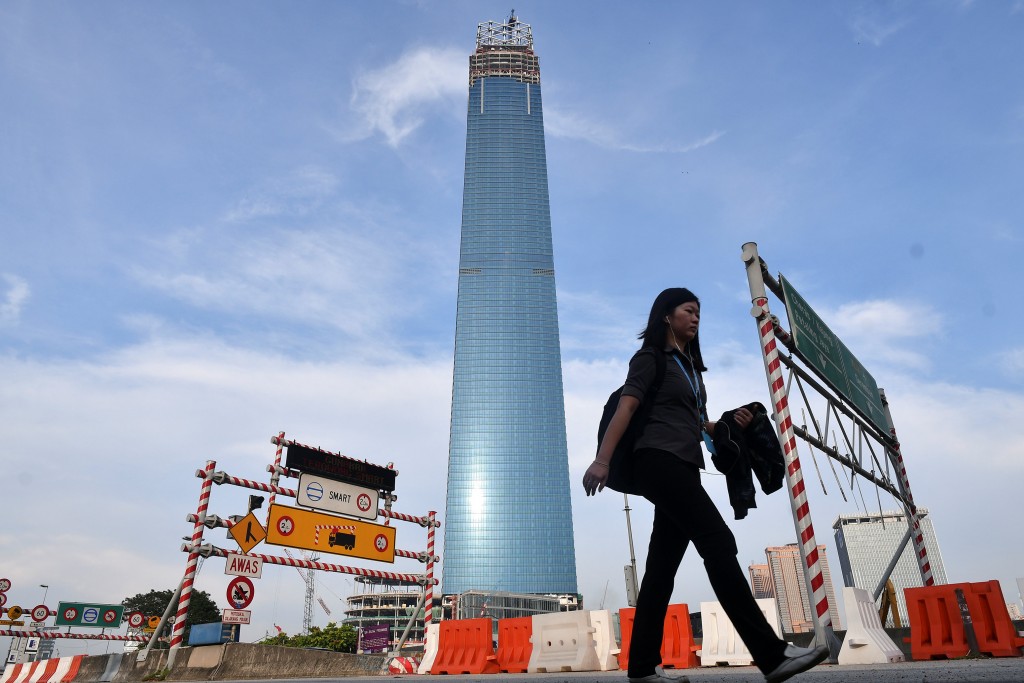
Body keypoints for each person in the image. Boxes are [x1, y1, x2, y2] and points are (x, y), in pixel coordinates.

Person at [582, 288, 828, 683]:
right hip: (658, 462)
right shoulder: (650, 359)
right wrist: (602, 460)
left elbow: (699, 425)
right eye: (689, 310)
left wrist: (732, 422)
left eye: (699, 312)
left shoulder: (692, 372)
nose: (696, 317)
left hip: (684, 466)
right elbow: (627, 406)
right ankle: (771, 654)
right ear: (667, 315)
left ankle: (641, 669)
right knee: (717, 542)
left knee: (661, 569)